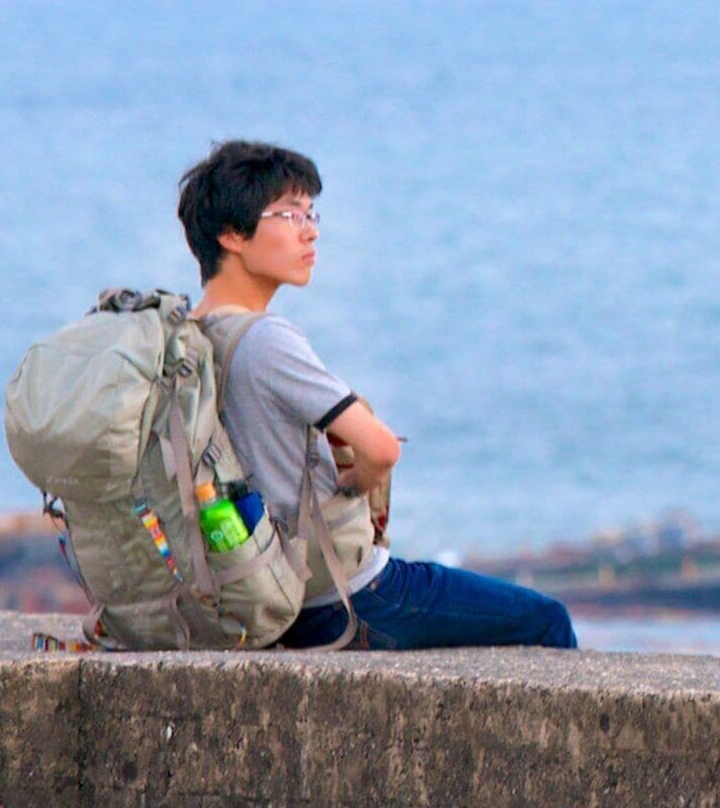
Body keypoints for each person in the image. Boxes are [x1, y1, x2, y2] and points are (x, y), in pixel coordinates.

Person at [177, 139, 576, 651]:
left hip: (255, 594)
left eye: (311, 214)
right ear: (231, 234)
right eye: (290, 215)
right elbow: (381, 449)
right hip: (342, 597)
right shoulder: (265, 339)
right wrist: (354, 485)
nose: (311, 231)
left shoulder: (188, 336)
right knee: (546, 618)